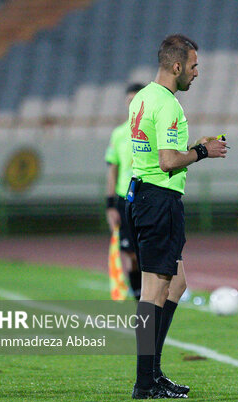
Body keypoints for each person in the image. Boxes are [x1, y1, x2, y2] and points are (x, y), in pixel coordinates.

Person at [126, 34, 227, 399]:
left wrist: (191, 147)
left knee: (177, 283)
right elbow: (168, 162)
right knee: (153, 291)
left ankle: (152, 372)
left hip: (144, 195)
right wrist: (202, 150)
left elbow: (157, 153)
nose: (197, 73)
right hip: (159, 200)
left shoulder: (143, 97)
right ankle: (145, 381)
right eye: (194, 65)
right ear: (177, 66)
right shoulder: (168, 104)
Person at [104, 83, 145, 299]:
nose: (132, 105)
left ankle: (151, 297)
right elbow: (113, 170)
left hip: (148, 197)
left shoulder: (153, 130)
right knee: (130, 253)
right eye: (129, 101)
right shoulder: (119, 134)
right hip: (125, 199)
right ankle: (140, 299)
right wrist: (110, 205)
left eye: (136, 100)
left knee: (147, 252)